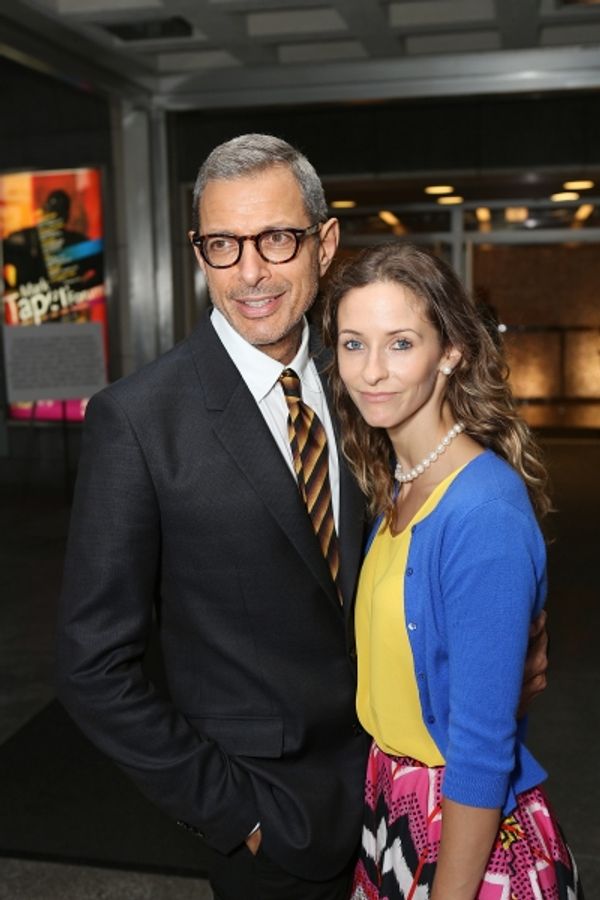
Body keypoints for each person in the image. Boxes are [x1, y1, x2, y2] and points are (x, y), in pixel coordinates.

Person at [56, 135, 547, 900]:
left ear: (323, 243)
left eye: (276, 239)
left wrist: (500, 647)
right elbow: (92, 667)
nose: (249, 272)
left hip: (405, 808)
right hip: (271, 833)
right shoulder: (138, 421)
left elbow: (436, 550)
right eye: (222, 244)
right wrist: (237, 816)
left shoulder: (363, 379)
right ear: (199, 252)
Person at [321, 242, 583, 899]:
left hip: (461, 830)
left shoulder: (481, 509)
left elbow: (481, 751)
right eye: (353, 344)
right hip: (394, 806)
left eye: (400, 343)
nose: (372, 371)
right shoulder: (397, 487)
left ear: (452, 353)